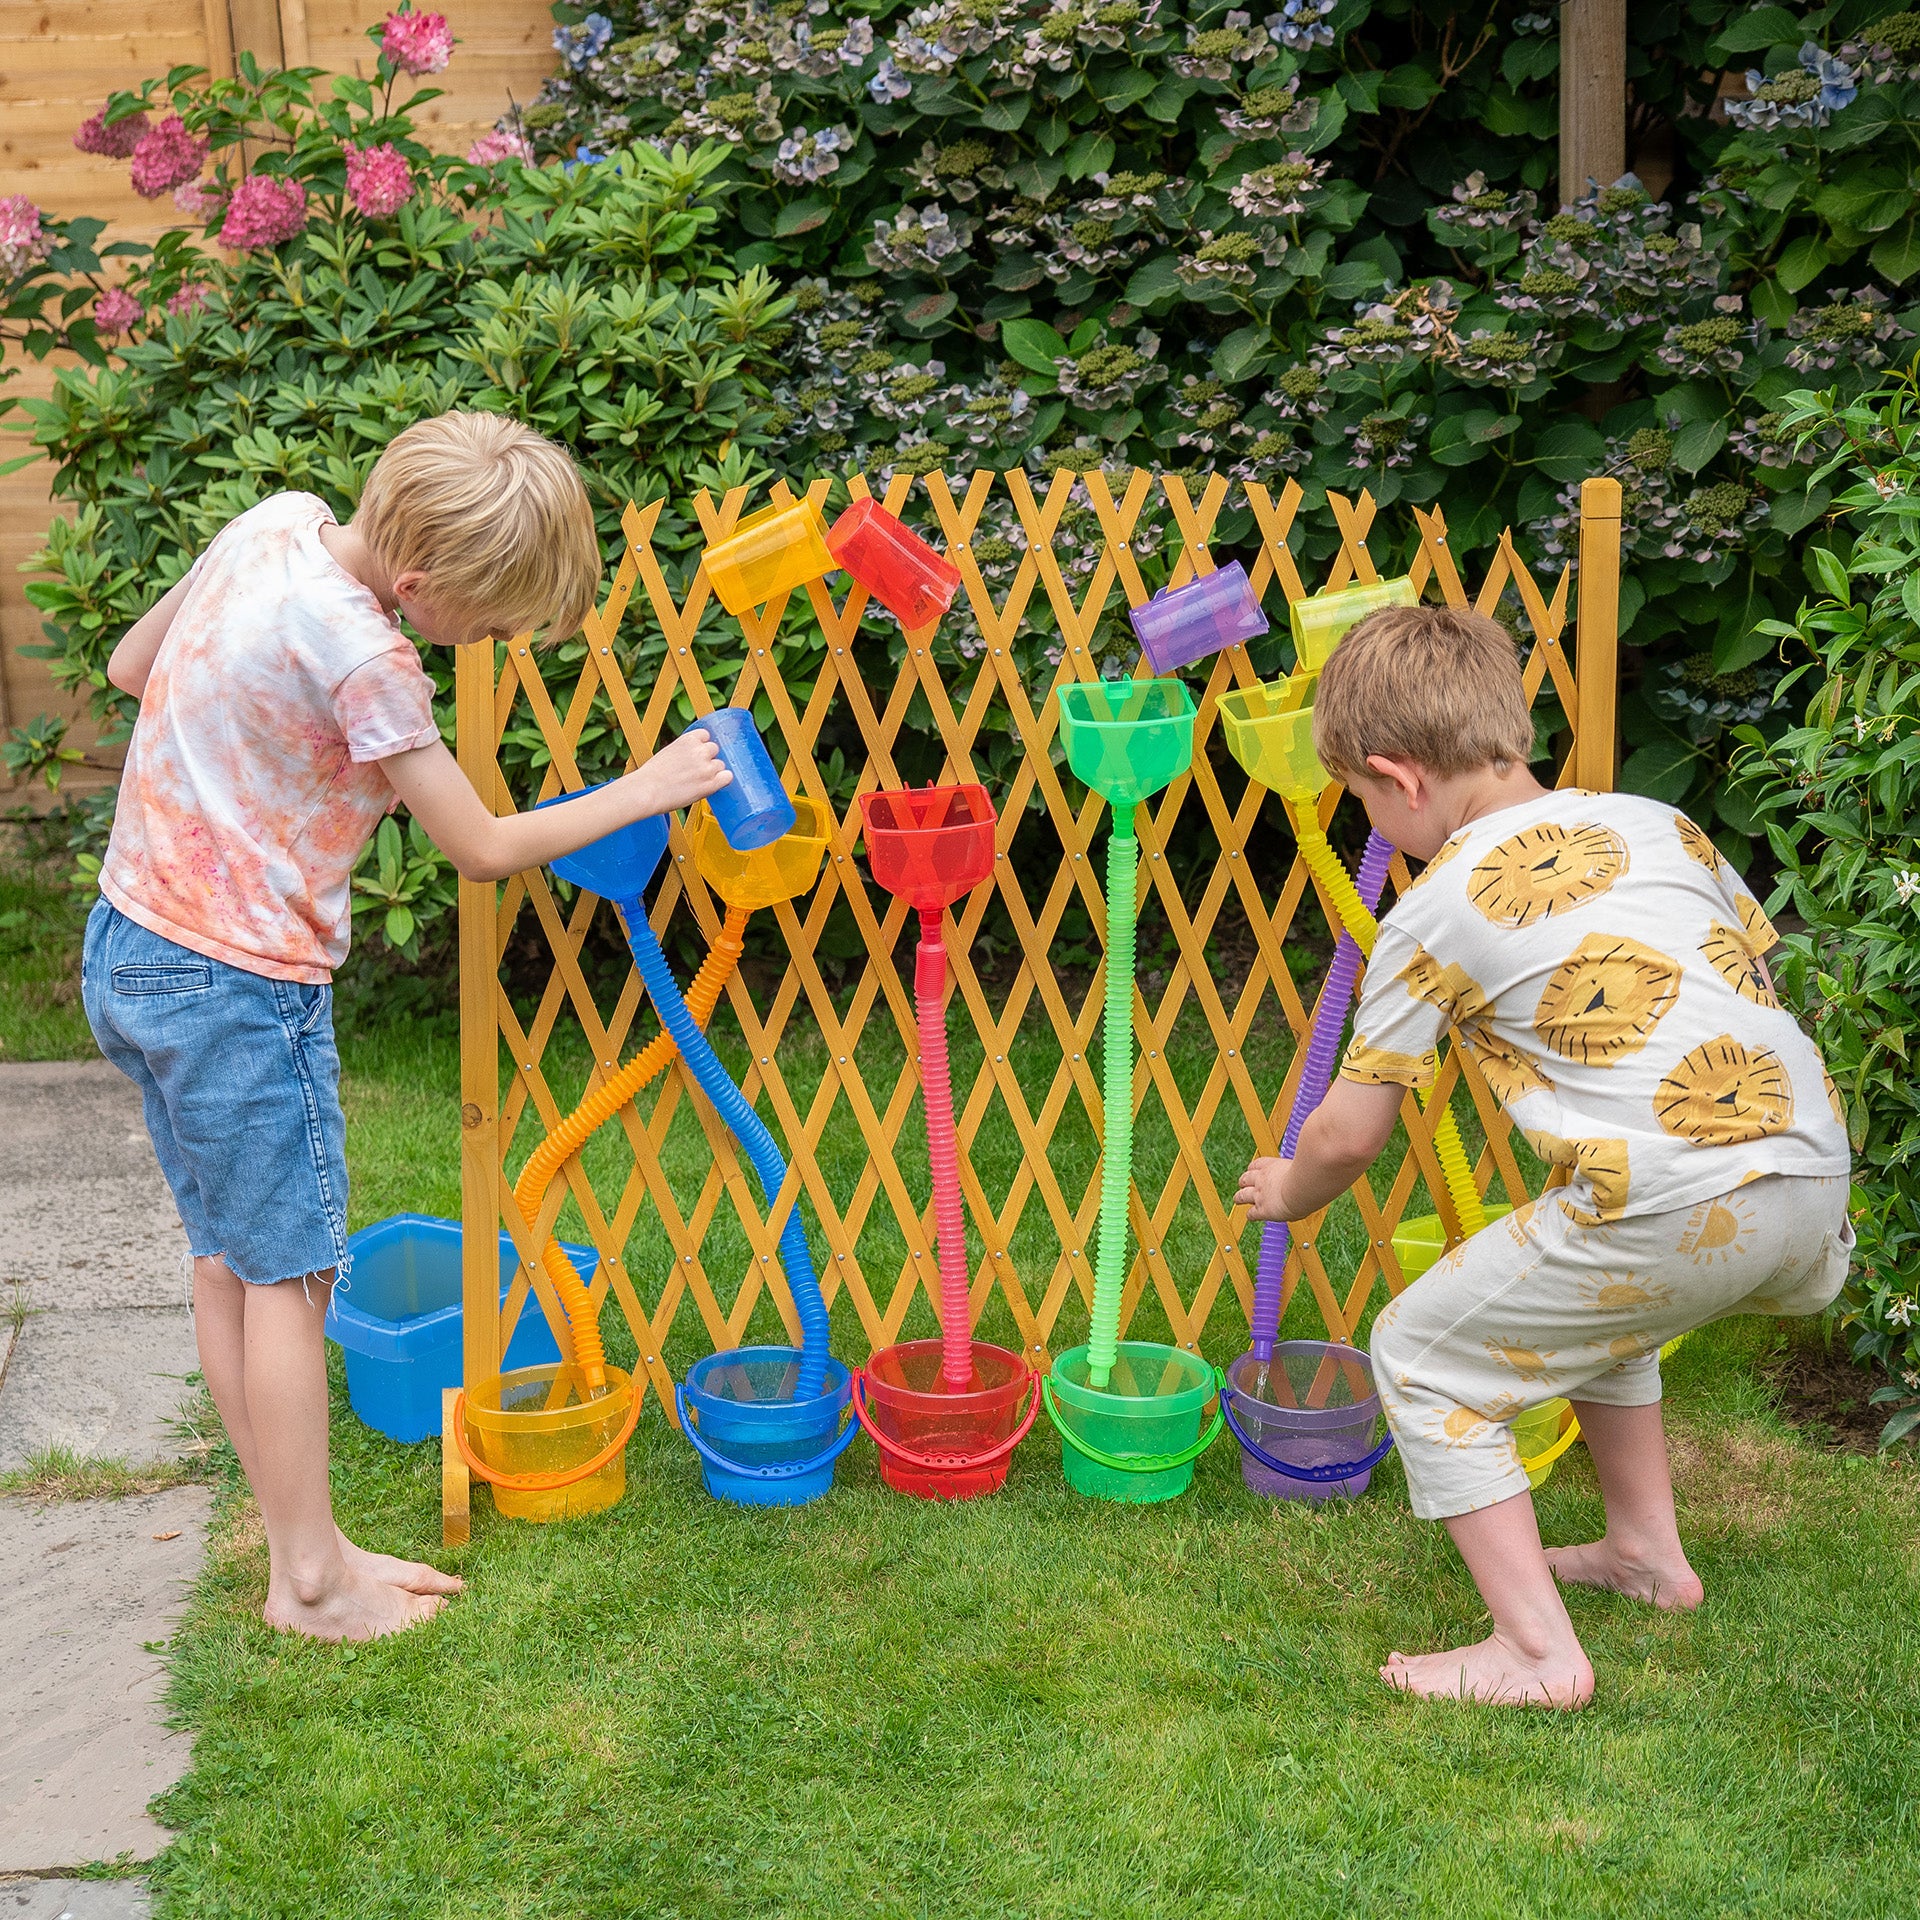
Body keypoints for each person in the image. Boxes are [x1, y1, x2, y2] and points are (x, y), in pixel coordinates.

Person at [82, 412, 731, 1643]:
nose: (486, 644)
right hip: (238, 986)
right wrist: (644, 789)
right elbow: (480, 846)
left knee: (225, 1258)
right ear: (423, 583)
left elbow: (129, 666)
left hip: (131, 945)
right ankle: (312, 1585)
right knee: (291, 1276)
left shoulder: (274, 521)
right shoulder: (370, 658)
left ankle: (301, 1540)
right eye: (485, 625)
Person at [1234, 603, 1851, 1708]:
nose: (1372, 818)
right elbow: (1752, 975)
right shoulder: (1658, 824)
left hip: (1673, 1198)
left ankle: (1535, 1655)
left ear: (1399, 779)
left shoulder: (1435, 910)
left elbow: (1352, 1130)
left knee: (1420, 1355)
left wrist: (1289, 1187)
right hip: (1808, 1177)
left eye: (1362, 798)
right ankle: (1645, 1555)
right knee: (1600, 1307)